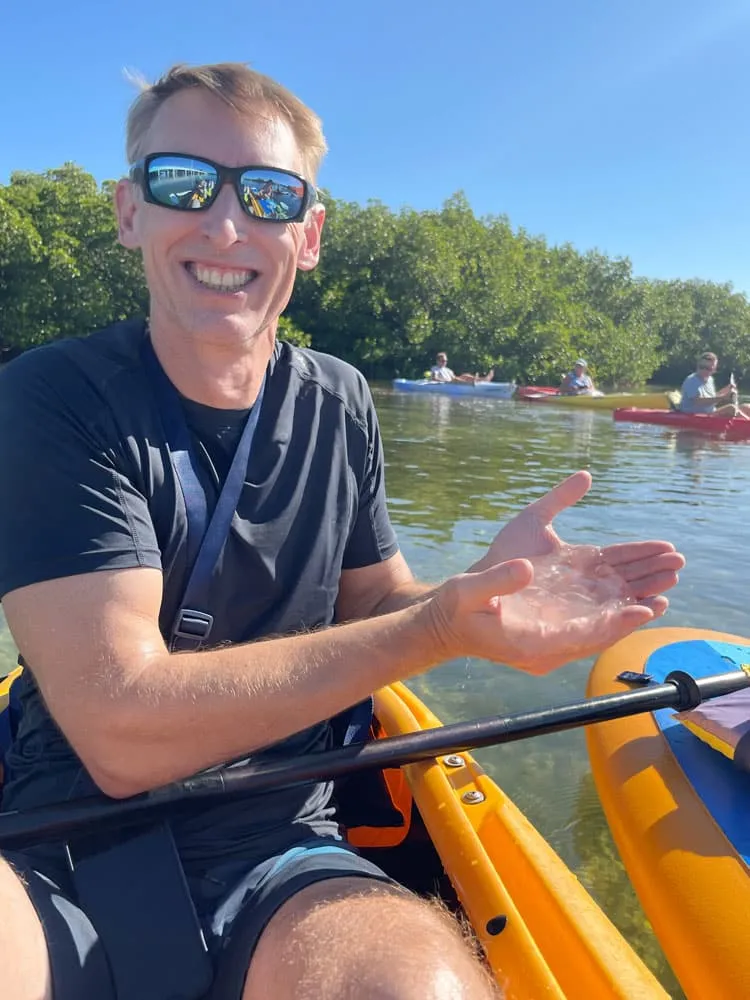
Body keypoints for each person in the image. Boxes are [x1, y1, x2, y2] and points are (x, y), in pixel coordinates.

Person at [0, 62, 685, 1000]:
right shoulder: (50, 396)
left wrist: (479, 601)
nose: (226, 224)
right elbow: (121, 735)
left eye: (269, 194)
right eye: (184, 183)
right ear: (129, 212)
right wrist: (432, 630)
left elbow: (376, 598)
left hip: (281, 830)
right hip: (57, 837)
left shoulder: (341, 397)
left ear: (309, 235)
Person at [679, 352, 750, 419]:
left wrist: (727, 389)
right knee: (731, 408)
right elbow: (698, 401)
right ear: (697, 365)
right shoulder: (691, 380)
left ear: (714, 370)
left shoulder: (710, 379)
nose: (703, 370)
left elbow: (712, 397)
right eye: (701, 367)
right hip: (696, 416)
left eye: (708, 368)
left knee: (746, 407)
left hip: (710, 413)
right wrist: (723, 398)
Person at [430, 352, 494, 384]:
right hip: (446, 383)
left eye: (446, 361)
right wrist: (445, 381)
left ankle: (484, 379)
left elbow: (454, 377)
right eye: (443, 361)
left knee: (465, 375)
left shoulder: (448, 370)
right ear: (438, 361)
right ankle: (469, 384)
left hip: (451, 382)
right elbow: (434, 378)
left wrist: (460, 378)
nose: (444, 362)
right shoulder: (435, 368)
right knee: (456, 379)